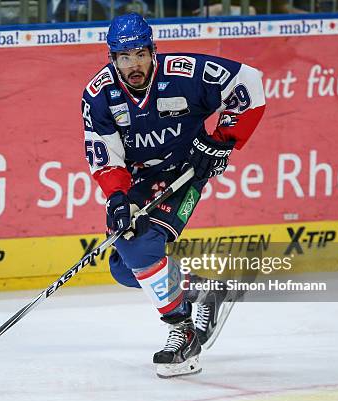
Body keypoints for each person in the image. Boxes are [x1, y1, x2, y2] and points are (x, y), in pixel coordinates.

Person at [81, 13, 265, 378]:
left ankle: (184, 334)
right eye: (123, 56)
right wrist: (117, 198)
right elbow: (104, 152)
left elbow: (249, 83)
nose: (133, 64)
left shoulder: (186, 73)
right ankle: (205, 291)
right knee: (124, 267)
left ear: (153, 51)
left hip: (185, 171)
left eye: (139, 53)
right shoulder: (99, 95)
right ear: (111, 58)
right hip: (139, 180)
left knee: (139, 248)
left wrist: (220, 143)